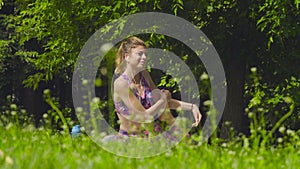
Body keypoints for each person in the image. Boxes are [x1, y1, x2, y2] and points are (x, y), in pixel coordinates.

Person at [112, 36, 202, 139]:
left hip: (151, 134)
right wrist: (163, 98)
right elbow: (144, 116)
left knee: (186, 142)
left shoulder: (144, 75)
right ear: (127, 57)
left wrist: (191, 107)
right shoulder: (121, 84)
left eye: (145, 54)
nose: (144, 57)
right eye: (140, 54)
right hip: (131, 139)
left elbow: (160, 102)